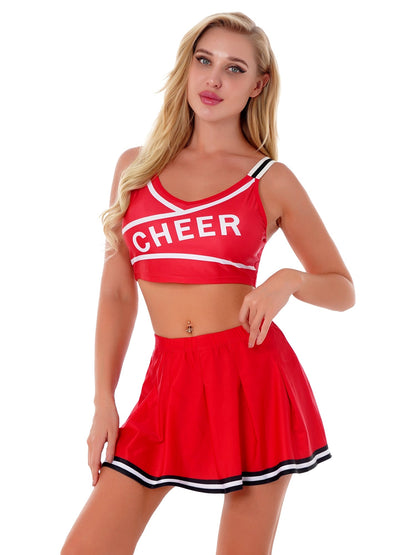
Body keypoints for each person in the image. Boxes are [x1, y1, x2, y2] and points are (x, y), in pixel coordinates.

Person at [61, 11, 355, 555]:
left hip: (252, 380)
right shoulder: (135, 169)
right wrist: (104, 399)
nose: (214, 79)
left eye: (234, 68)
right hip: (167, 381)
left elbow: (342, 289)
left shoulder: (268, 178)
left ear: (257, 85)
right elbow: (117, 292)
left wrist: (288, 280)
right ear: (188, 67)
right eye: (204, 60)